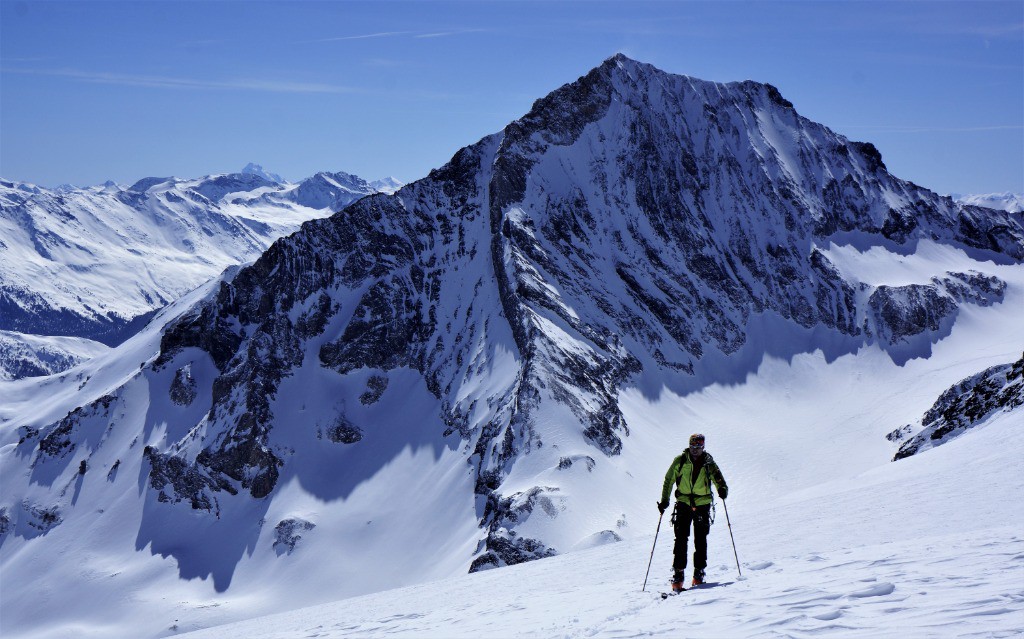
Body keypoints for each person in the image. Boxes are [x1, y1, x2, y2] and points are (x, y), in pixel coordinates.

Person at [657, 433, 728, 591]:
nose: (696, 450)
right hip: (683, 503)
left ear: (703, 447)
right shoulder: (680, 461)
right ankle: (679, 572)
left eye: (699, 447)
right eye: (693, 446)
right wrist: (665, 500)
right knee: (681, 538)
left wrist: (722, 489)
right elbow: (669, 479)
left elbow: (718, 478)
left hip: (702, 504)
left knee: (700, 539)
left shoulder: (709, 463)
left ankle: (698, 572)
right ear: (689, 446)